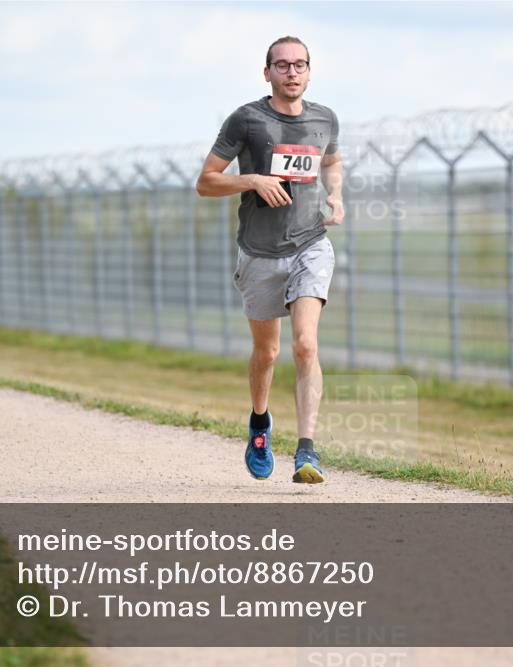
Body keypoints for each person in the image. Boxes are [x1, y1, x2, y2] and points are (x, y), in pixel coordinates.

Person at [196, 36, 344, 484]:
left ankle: (307, 451)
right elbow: (206, 181)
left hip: (310, 243)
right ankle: (260, 423)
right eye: (282, 65)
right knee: (268, 351)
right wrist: (253, 180)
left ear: (310, 71)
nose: (292, 72)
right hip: (259, 251)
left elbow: (331, 162)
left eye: (300, 64)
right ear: (267, 73)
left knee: (305, 344)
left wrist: (336, 195)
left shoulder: (324, 118)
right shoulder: (247, 120)